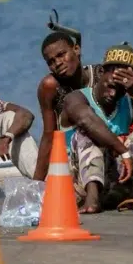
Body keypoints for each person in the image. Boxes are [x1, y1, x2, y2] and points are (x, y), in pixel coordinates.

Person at [60, 44, 133, 214]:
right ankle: (92, 200)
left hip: (117, 181)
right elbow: (86, 120)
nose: (113, 94)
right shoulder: (76, 98)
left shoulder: (127, 102)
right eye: (110, 86)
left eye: (120, 90)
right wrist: (122, 150)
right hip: (78, 185)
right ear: (101, 73)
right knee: (88, 133)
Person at [36, 32, 100, 181]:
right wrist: (36, 184)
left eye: (61, 55)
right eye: (51, 61)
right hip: (70, 158)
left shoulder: (99, 75)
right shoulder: (51, 87)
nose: (57, 63)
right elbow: (48, 135)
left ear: (76, 49)